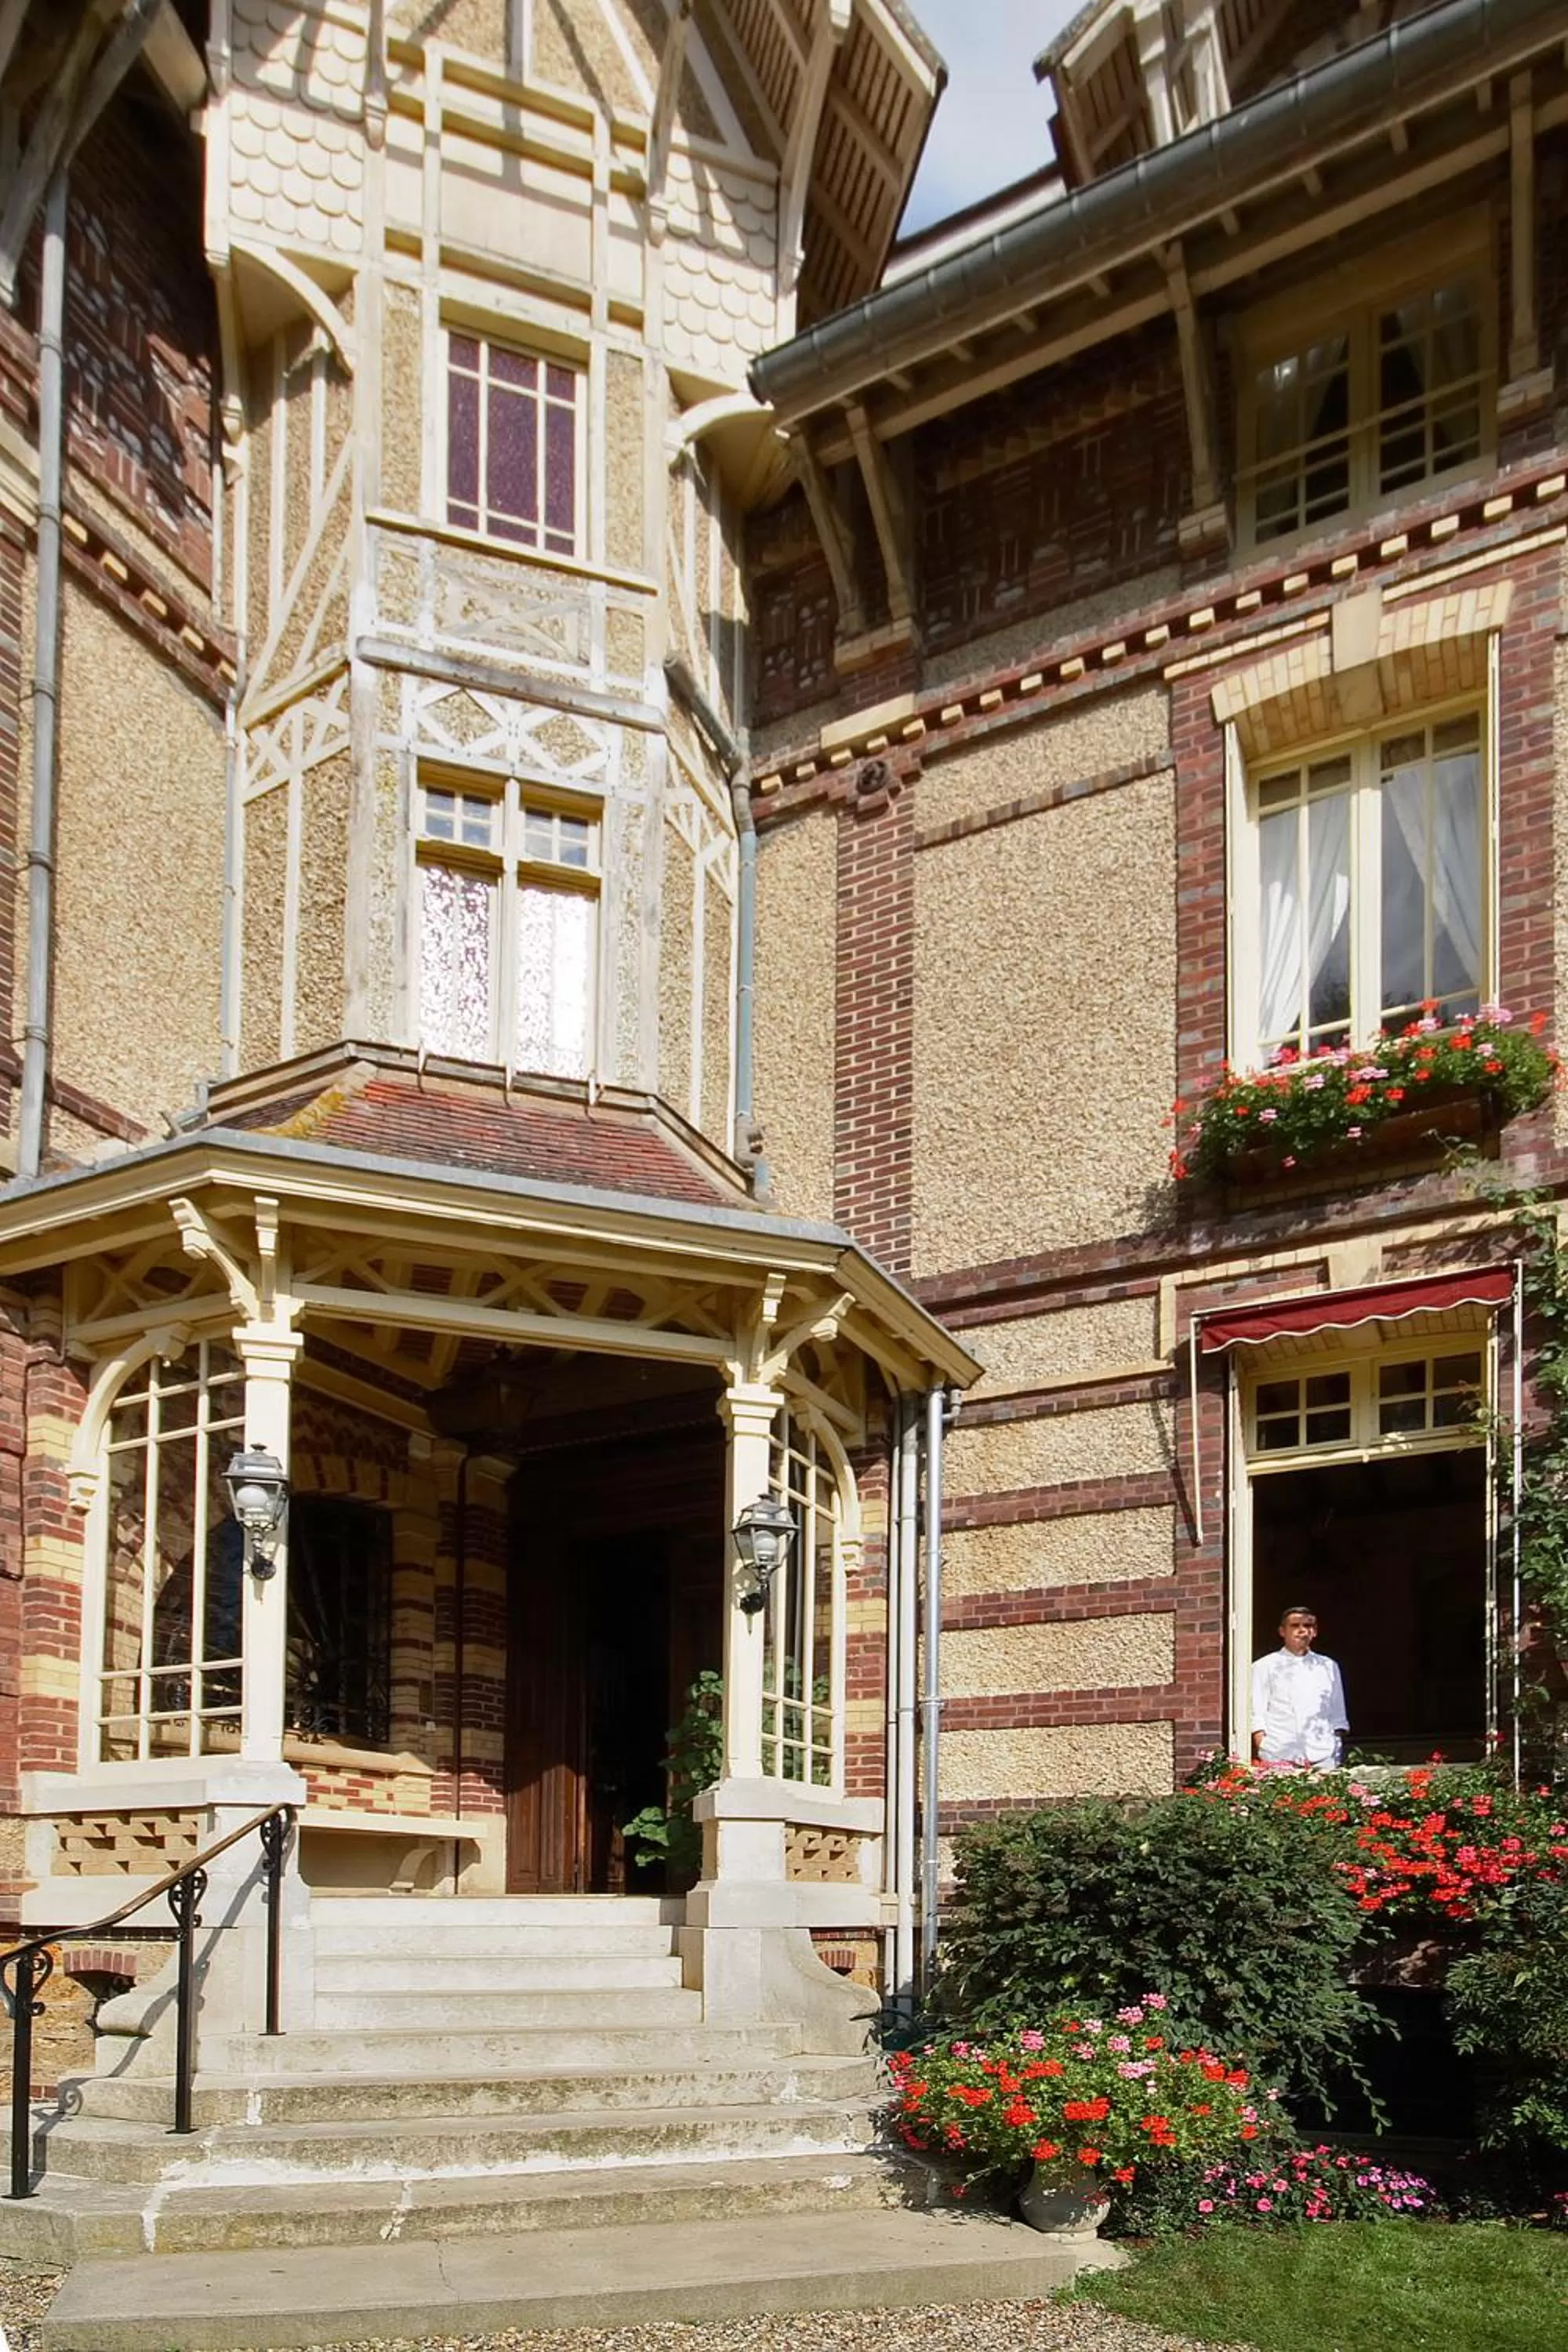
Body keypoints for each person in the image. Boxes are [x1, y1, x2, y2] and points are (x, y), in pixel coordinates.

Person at [1250, 1606, 1348, 1770]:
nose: (1302, 1630)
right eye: (1295, 1626)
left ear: (1314, 1632)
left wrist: (1336, 1743)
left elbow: (1338, 1712)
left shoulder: (1328, 1666)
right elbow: (1256, 1711)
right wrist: (1262, 1744)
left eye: (1308, 1626)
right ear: (1282, 1631)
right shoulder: (1264, 1666)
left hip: (1323, 1754)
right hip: (1278, 1753)